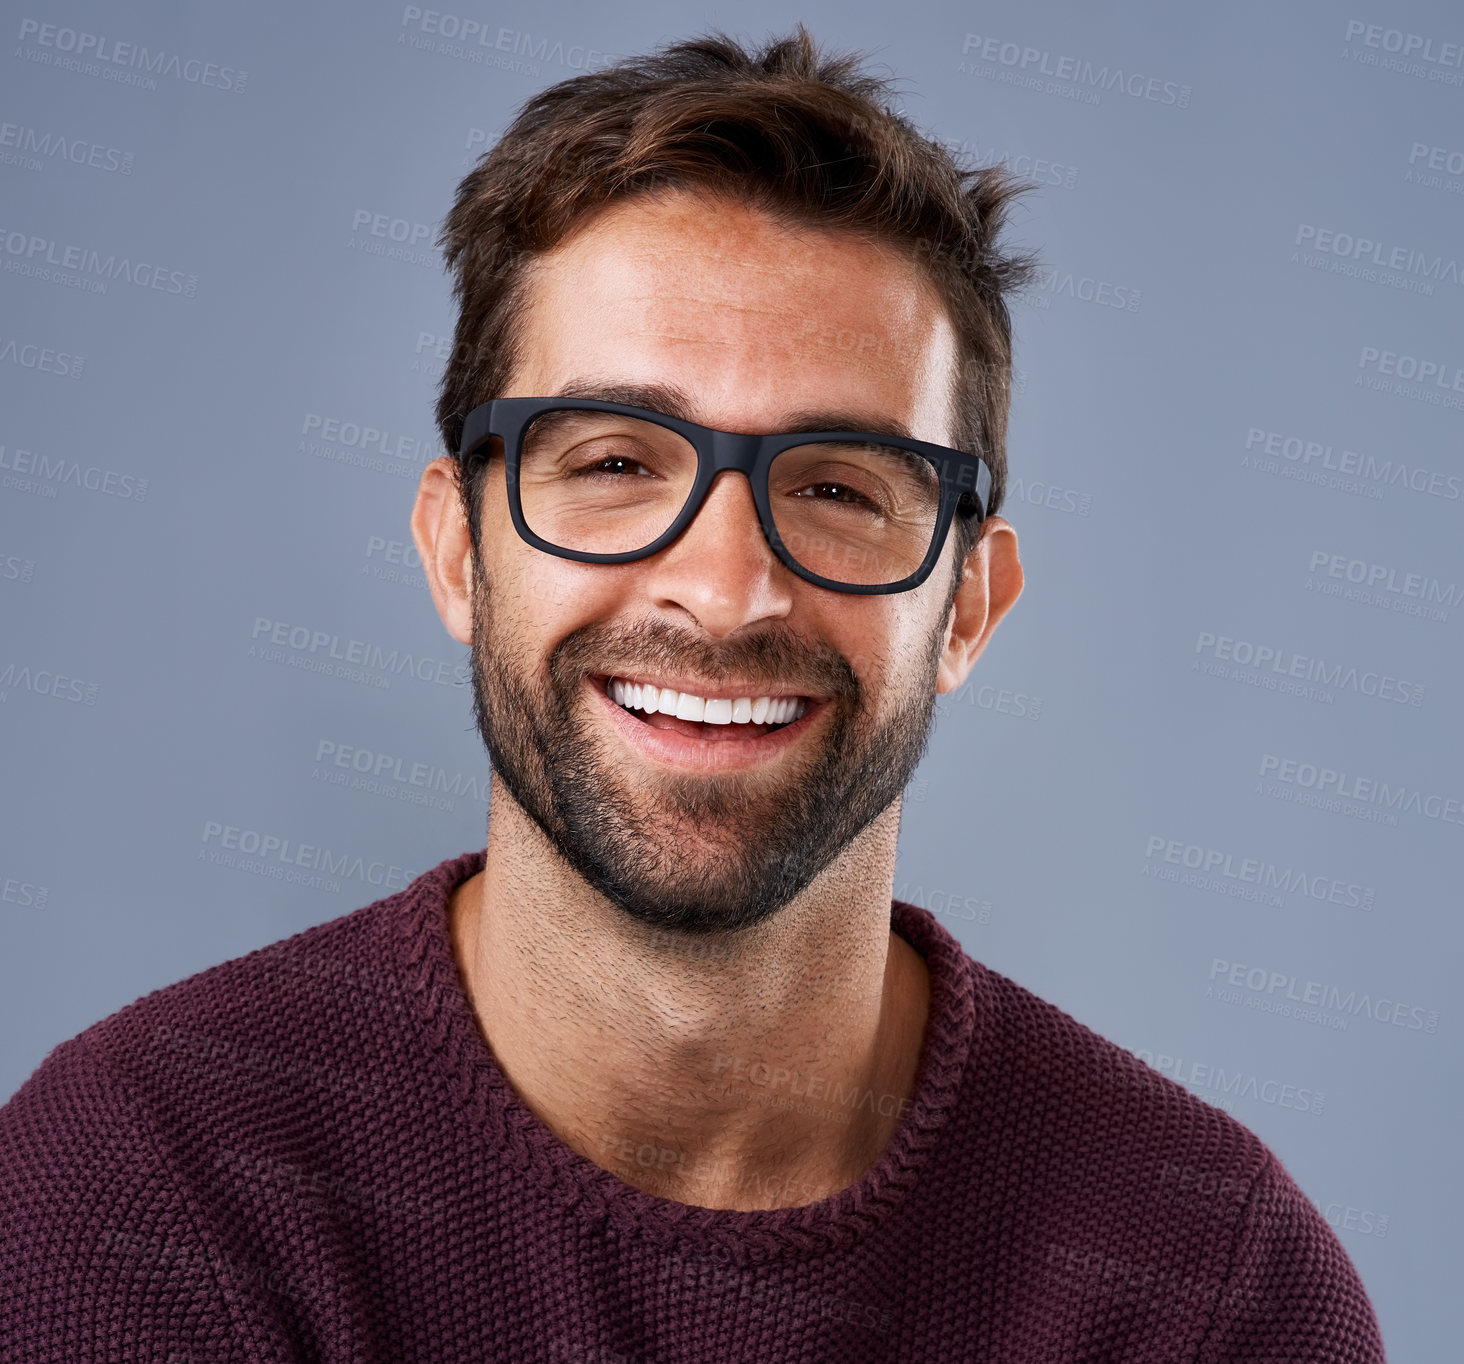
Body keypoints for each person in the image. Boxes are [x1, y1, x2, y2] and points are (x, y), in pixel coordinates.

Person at [0, 27, 1385, 1363]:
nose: (724, 590)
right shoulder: (143, 1191)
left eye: (841, 489)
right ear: (456, 551)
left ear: (966, 604)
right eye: (612, 463)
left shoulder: (1208, 1285)